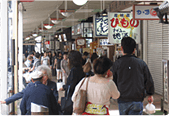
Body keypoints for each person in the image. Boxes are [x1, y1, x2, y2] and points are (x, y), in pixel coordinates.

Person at [112, 37, 154, 115]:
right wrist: (150, 94)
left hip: (122, 99)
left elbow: (113, 81)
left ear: (122, 48)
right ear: (134, 50)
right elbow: (148, 80)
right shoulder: (141, 63)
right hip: (137, 99)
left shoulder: (117, 64)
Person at [59, 50, 85, 115]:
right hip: (80, 98)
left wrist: (64, 87)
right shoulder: (80, 69)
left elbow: (72, 85)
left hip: (73, 98)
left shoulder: (74, 70)